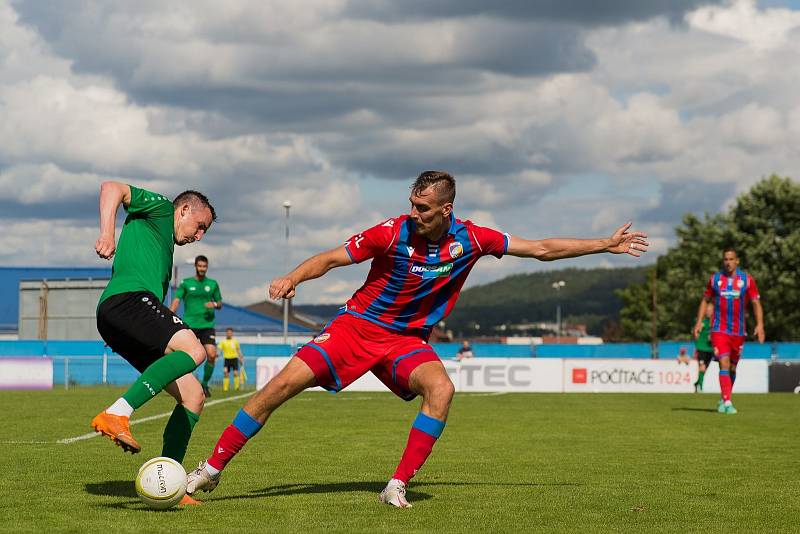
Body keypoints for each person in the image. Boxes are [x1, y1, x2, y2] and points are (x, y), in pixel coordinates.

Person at [186, 170, 648, 508]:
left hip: (405, 339)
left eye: (422, 207)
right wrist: (293, 277)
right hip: (355, 327)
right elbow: (330, 258)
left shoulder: (474, 239)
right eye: (411, 203)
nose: (414, 212)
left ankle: (397, 485)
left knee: (442, 389)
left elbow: (542, 249)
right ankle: (210, 470)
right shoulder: (389, 232)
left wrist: (603, 245)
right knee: (278, 389)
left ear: (447, 209)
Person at [91, 182, 215, 505]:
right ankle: (117, 413)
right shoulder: (160, 208)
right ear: (184, 209)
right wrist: (108, 233)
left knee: (193, 395)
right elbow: (111, 188)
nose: (198, 236)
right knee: (195, 349)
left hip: (123, 317)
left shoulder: (162, 249)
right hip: (127, 301)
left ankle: (170, 484)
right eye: (200, 226)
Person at [693, 248, 764, 415]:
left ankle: (725, 396)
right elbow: (705, 300)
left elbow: (755, 303)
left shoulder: (746, 280)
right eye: (725, 259)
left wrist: (760, 324)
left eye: (731, 259)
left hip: (738, 331)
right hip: (719, 329)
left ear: (737, 261)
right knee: (723, 362)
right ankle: (727, 402)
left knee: (732, 367)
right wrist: (699, 322)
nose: (728, 262)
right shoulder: (715, 279)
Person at [170, 255, 223, 397]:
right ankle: (187, 386)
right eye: (199, 266)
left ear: (207, 267)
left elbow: (220, 303)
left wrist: (214, 304)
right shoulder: (186, 283)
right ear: (195, 266)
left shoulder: (212, 284)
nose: (202, 269)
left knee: (211, 355)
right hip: (190, 324)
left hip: (207, 325)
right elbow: (176, 300)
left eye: (204, 266)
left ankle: (205, 385)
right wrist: (169, 314)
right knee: (187, 356)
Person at [693, 303, 714, 392]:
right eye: (707, 310)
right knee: (702, 366)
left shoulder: (715, 323)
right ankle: (700, 387)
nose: (708, 312)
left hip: (710, 349)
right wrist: (697, 336)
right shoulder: (702, 322)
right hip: (701, 348)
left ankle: (697, 382)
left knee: (705, 368)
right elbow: (696, 332)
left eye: (710, 310)